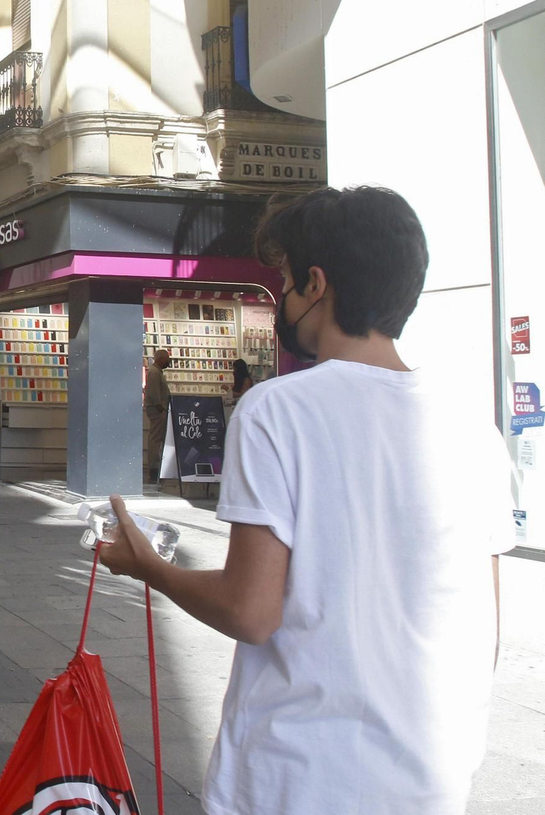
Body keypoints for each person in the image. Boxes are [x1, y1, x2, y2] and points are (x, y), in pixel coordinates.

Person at [99, 186, 515, 815]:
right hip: (430, 781)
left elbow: (251, 610)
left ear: (316, 285)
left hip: (298, 775)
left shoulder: (276, 411)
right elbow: (484, 628)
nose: (285, 298)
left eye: (287, 280)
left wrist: (149, 567)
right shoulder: (473, 429)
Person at [144, 348, 171, 483]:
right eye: (167, 359)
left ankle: (155, 467)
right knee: (155, 439)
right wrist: (161, 408)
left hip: (158, 409)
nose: (168, 362)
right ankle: (154, 468)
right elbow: (154, 393)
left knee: (156, 438)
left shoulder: (155, 372)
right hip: (157, 410)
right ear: (160, 359)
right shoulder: (155, 372)